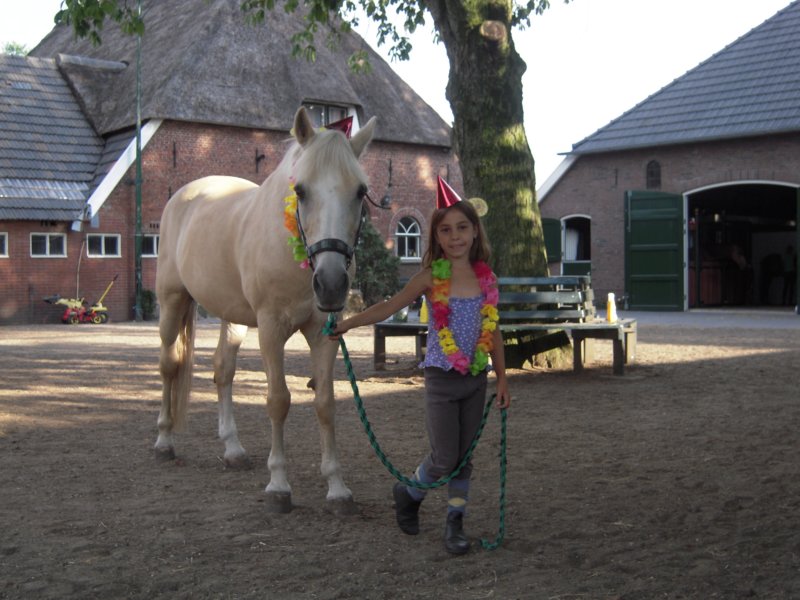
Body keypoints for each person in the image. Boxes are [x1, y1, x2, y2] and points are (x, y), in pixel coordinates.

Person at [329, 176, 511, 555]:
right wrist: (348, 323)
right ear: (437, 237)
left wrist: (503, 379)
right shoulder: (430, 277)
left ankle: (454, 522)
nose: (455, 236)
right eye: (446, 230)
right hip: (441, 379)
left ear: (475, 231)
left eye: (462, 228)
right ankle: (409, 493)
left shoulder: (487, 279)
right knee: (445, 458)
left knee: (464, 459)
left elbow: (493, 331)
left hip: (476, 378)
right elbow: (388, 306)